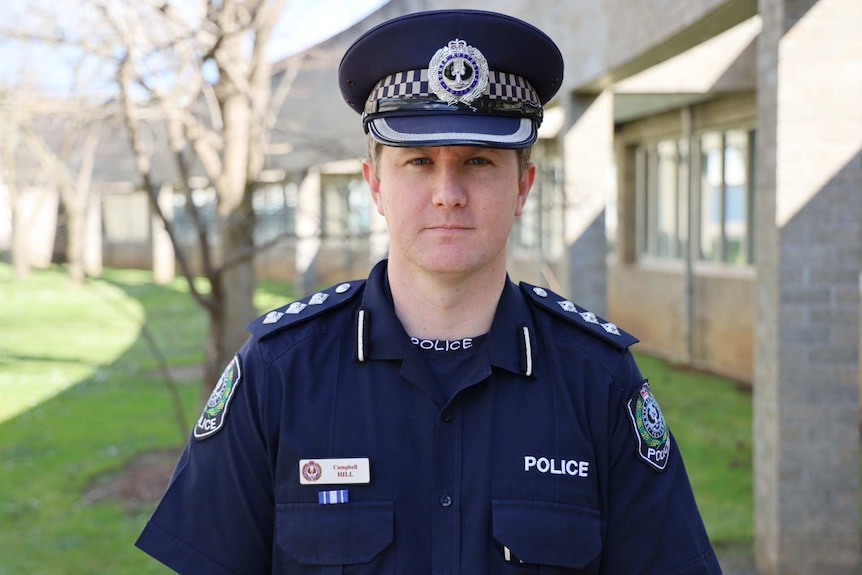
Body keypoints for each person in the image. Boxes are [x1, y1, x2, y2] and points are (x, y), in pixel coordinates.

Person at [136, 9, 722, 574]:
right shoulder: (280, 372)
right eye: (418, 161)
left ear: (523, 186)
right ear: (375, 185)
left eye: (478, 161)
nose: (448, 193)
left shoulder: (598, 379)